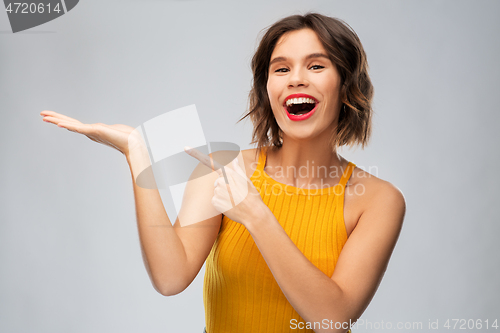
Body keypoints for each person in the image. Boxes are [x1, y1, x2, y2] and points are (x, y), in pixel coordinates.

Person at [41, 12, 406, 333]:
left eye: (316, 65)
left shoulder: (378, 200)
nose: (295, 79)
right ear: (267, 90)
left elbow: (332, 320)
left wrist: (255, 213)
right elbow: (170, 278)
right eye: (281, 68)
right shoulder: (223, 167)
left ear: (346, 88)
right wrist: (138, 154)